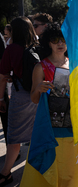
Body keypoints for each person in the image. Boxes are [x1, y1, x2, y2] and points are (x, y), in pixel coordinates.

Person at [20, 23, 78, 186]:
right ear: (48, 42)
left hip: (74, 127)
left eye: (63, 39)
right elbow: (34, 99)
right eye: (55, 40)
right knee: (50, 171)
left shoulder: (76, 64)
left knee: (73, 172)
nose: (60, 43)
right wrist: (39, 89)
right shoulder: (40, 67)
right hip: (50, 129)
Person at [0, 17, 39, 186]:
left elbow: (2, 77)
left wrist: (1, 98)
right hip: (39, 94)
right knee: (37, 133)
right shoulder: (39, 47)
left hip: (21, 96)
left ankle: (6, 173)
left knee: (14, 136)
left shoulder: (11, 49)